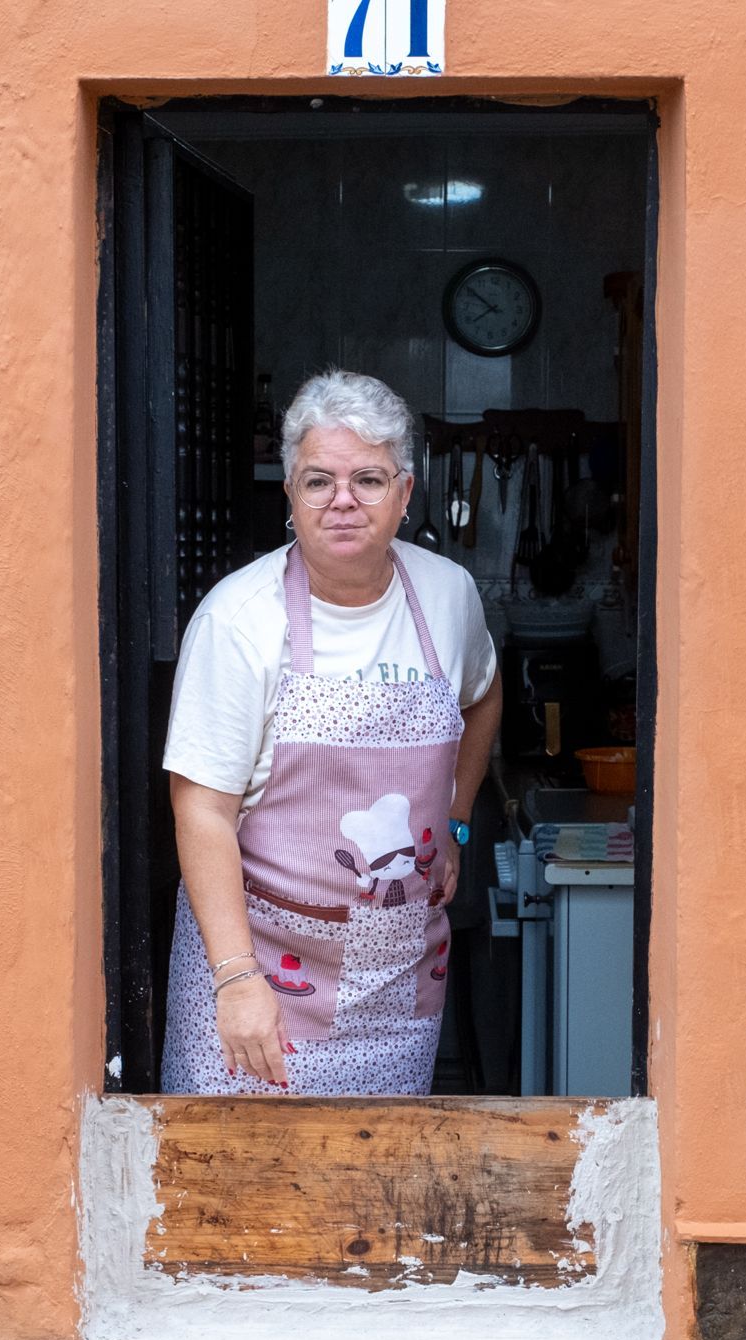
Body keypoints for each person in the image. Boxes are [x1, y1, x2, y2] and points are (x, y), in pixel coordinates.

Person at [161, 370, 502, 1094]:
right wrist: (236, 979)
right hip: (260, 978)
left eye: (369, 480)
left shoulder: (448, 595)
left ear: (405, 494)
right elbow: (202, 808)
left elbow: (484, 694)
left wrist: (456, 821)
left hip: (395, 986)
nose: (342, 501)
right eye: (318, 481)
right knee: (240, 1193)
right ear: (289, 493)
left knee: (378, 1192)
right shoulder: (239, 620)